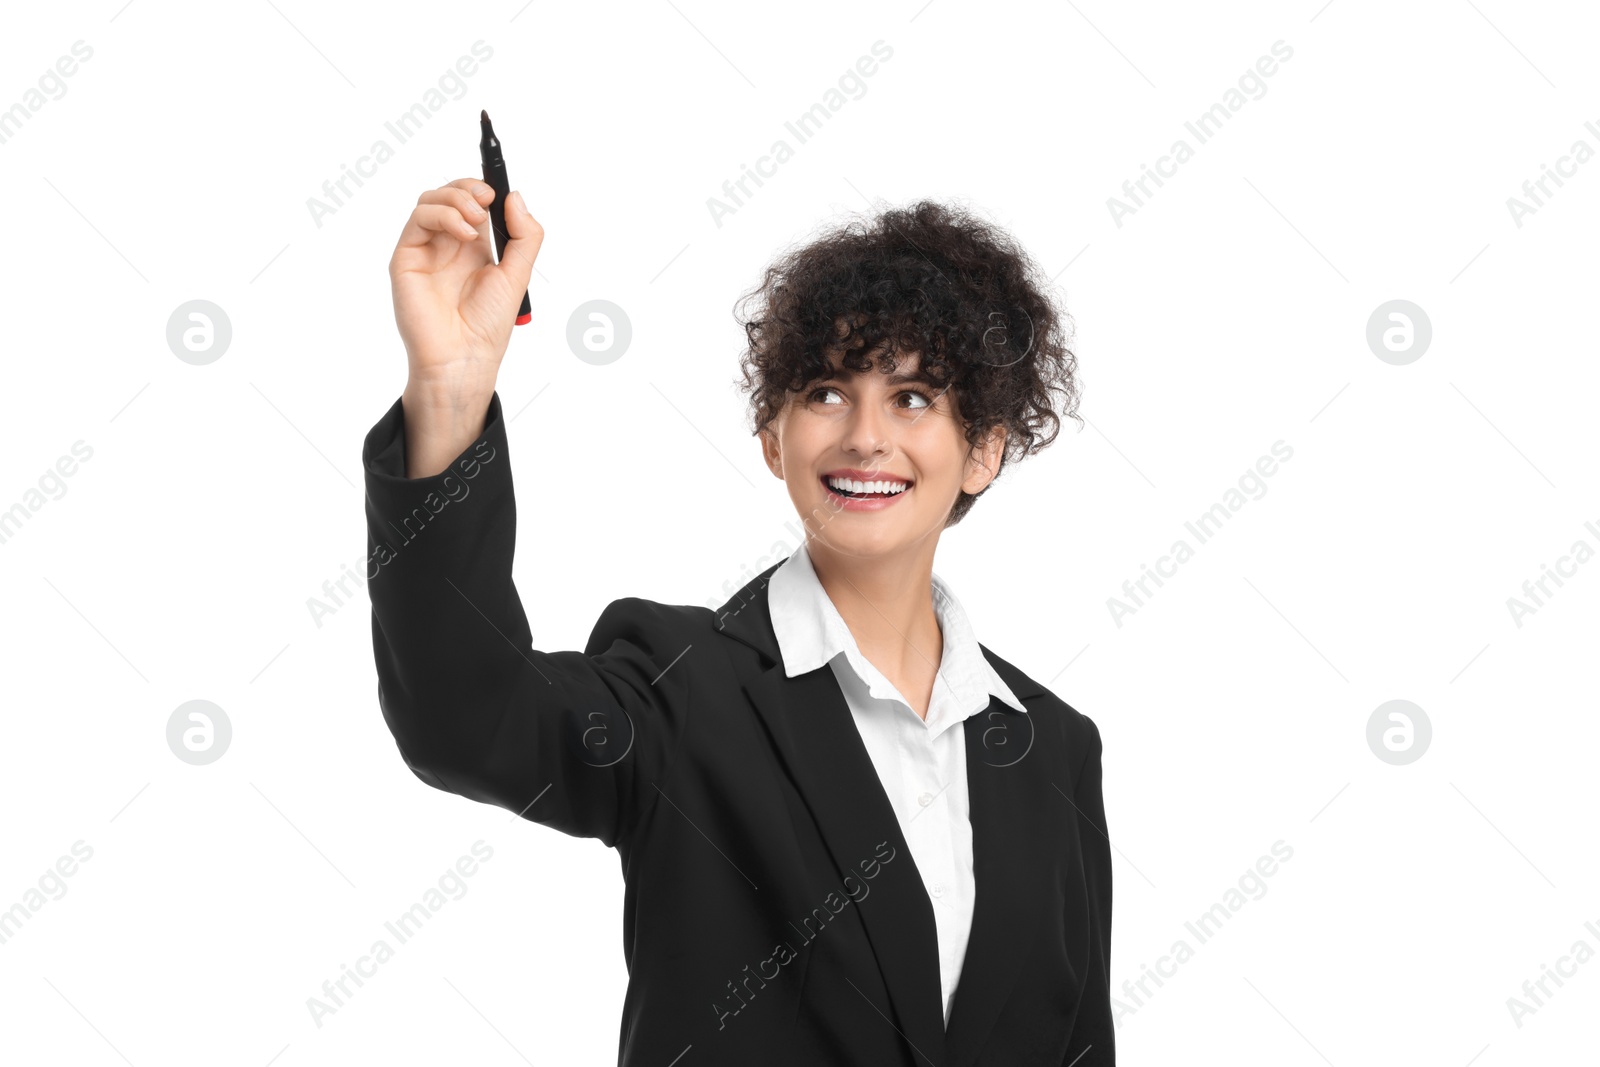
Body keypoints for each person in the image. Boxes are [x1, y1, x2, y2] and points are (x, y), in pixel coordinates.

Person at [362, 176, 1114, 1066]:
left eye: (913, 398)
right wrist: (448, 394)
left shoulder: (1054, 749)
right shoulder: (678, 688)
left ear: (983, 449)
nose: (865, 435)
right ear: (773, 437)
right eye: (828, 392)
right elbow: (463, 716)